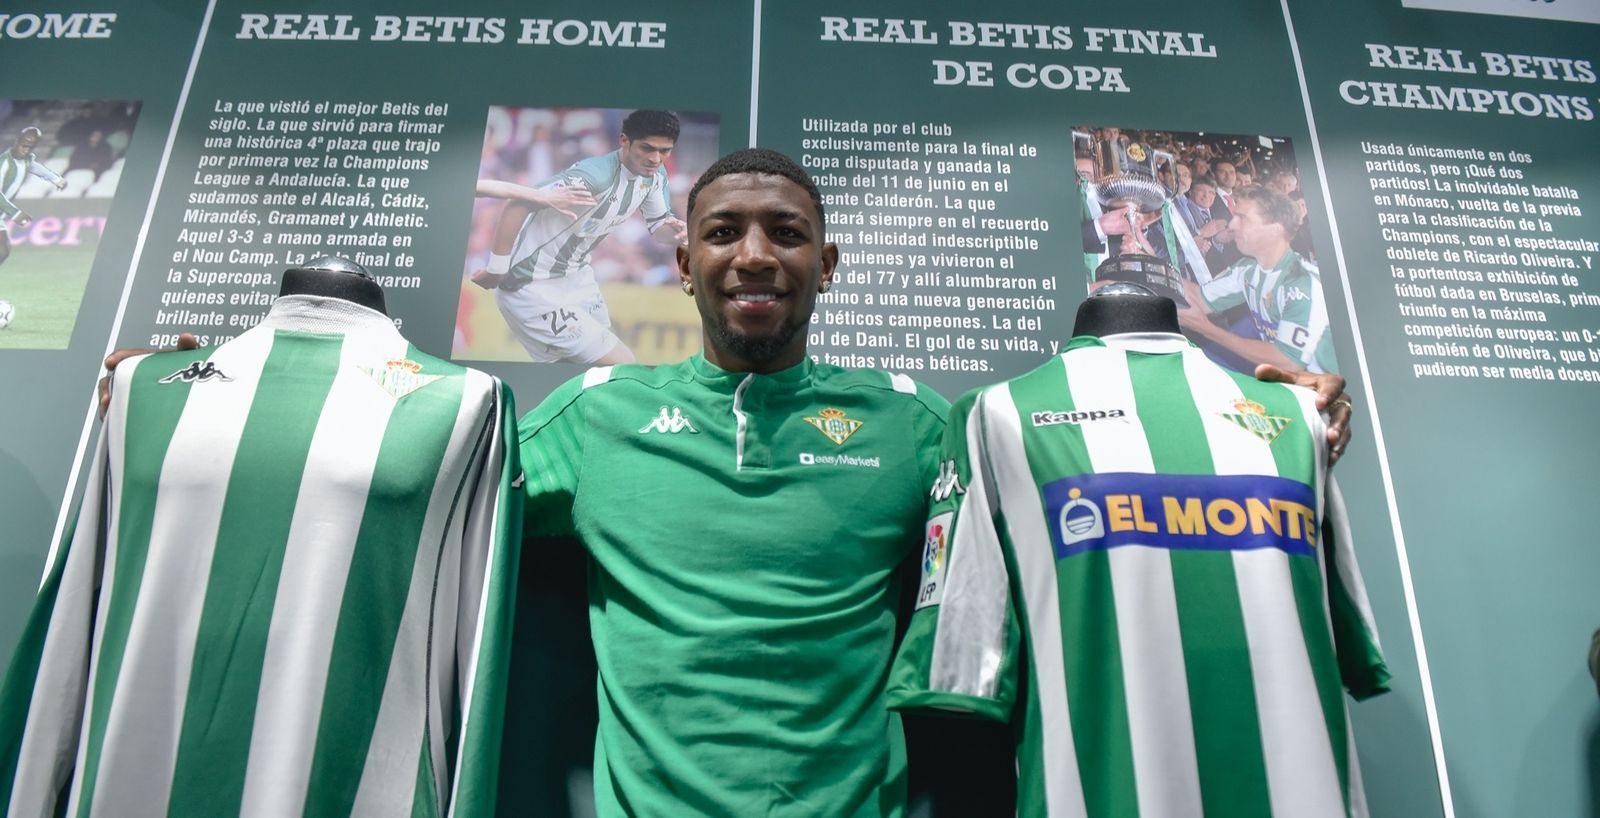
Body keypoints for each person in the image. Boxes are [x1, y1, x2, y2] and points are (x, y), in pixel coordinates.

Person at [100, 149, 1356, 815]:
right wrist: (191, 379)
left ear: (826, 262)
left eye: (785, 232)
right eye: (724, 232)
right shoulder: (593, 411)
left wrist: (1267, 422)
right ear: (685, 259)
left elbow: (1089, 505)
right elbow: (390, 482)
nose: (754, 253)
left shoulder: (923, 424)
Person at [470, 110, 689, 366]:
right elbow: (517, 204)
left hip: (577, 279)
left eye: (665, 151)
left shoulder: (654, 177)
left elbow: (659, 229)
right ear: (624, 141)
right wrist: (497, 268)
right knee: (622, 364)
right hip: (531, 285)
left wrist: (676, 234)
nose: (655, 158)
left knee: (583, 374)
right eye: (647, 148)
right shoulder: (594, 177)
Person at [1179, 185, 1338, 373]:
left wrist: (1208, 330)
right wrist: (1142, 259)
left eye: (1242, 218)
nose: (1231, 225)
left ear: (1274, 230)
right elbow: (1196, 297)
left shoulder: (1303, 283)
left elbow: (1288, 361)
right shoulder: (1248, 268)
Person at [0, 126, 67, 267]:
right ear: (16, 141)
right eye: (24, 146)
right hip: (4, 210)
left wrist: (56, 179)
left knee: (3, 252)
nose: (26, 150)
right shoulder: (4, 163)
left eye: (31, 148)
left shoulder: (26, 160)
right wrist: (15, 213)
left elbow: (35, 167)